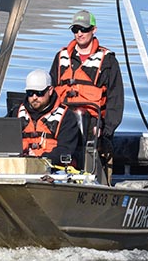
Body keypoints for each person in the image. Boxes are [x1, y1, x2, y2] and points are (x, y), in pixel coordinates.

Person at [49, 10, 124, 183]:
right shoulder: (61, 57)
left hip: (94, 127)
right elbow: (51, 93)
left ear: (93, 30)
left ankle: (99, 185)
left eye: (84, 29)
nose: (79, 33)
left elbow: (116, 99)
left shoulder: (108, 61)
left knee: (94, 161)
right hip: (63, 123)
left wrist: (106, 130)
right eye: (75, 30)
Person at [9, 69, 82, 167]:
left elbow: (65, 149)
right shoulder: (17, 112)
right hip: (21, 166)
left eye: (39, 93)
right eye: (30, 93)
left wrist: (39, 161)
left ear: (50, 90)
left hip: (53, 168)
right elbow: (3, 139)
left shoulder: (66, 116)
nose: (34, 97)